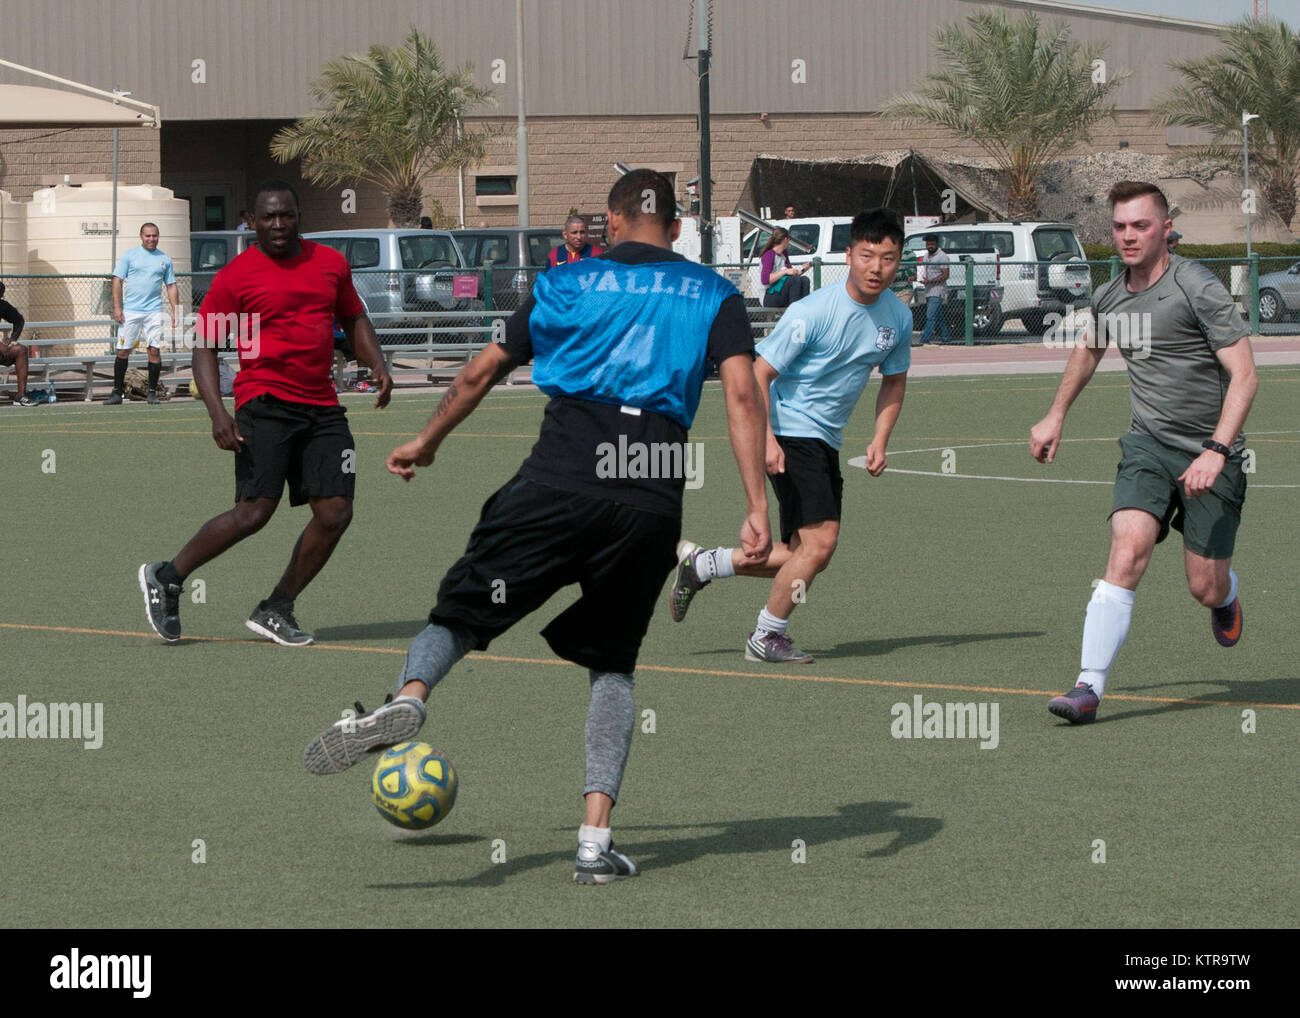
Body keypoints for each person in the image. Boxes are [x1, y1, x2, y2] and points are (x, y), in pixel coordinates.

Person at [301, 168, 771, 884]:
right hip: (650, 493)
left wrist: (426, 442)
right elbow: (741, 391)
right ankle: (592, 844)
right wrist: (756, 506)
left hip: (561, 476)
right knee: (612, 666)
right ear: (676, 228)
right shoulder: (712, 292)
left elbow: (478, 372)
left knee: (460, 612)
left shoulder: (566, 282)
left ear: (610, 224)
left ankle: (408, 701)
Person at [1029, 181, 1257, 725]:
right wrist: (1055, 414)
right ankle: (1088, 686)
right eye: (1120, 227)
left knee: (1203, 585)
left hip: (1211, 453)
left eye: (1141, 226)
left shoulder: (1197, 287)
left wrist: (1216, 451)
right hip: (1148, 447)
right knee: (1127, 550)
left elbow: (1245, 377)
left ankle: (1226, 597)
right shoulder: (1110, 295)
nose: (1128, 236)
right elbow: (1089, 351)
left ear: (1165, 228)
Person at [138, 180, 393, 647]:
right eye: (269, 217)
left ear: (299, 217)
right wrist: (218, 412)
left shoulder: (330, 264)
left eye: (287, 215)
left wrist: (376, 362)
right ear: (252, 222)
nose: (279, 225)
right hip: (264, 401)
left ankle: (277, 607)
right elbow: (207, 346)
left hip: (322, 406)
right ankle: (169, 576)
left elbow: (354, 317)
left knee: (336, 511)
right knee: (254, 512)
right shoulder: (236, 276)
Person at [670, 208, 913, 663]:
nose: (877, 268)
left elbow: (894, 380)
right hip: (790, 430)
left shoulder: (897, 318)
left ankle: (705, 564)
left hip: (826, 441)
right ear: (848, 255)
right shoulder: (812, 311)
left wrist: (880, 438)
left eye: (888, 258)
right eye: (867, 256)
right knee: (821, 545)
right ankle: (767, 636)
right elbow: (758, 374)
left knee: (803, 554)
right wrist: (766, 440)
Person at [107, 223, 178, 405]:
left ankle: (152, 392)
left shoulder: (164, 259)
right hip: (130, 312)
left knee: (154, 350)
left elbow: (171, 285)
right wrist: (117, 307)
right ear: (141, 236)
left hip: (154, 311)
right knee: (123, 351)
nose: (151, 239)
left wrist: (175, 310)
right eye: (148, 236)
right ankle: (116, 392)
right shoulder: (129, 256)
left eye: (154, 235)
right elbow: (117, 280)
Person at [0, 281, 34, 407]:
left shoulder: (2, 305)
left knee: (21, 350)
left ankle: (20, 396)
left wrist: (13, 339)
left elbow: (19, 320)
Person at [759, 228, 811, 309]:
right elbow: (765, 280)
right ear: (785, 239)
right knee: (793, 280)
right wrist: (785, 272)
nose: (789, 242)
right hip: (768, 296)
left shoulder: (784, 254)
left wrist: (803, 269)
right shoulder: (769, 255)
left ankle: (803, 310)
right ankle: (794, 312)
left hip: (781, 291)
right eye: (789, 239)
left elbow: (793, 275)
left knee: (804, 280)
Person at [917, 234, 950, 345]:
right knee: (939, 317)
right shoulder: (926, 256)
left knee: (930, 316)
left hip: (938, 290)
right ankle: (945, 338)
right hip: (928, 290)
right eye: (928, 244)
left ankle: (924, 340)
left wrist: (930, 281)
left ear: (937, 244)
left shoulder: (942, 256)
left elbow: (945, 275)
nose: (930, 246)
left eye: (932, 244)